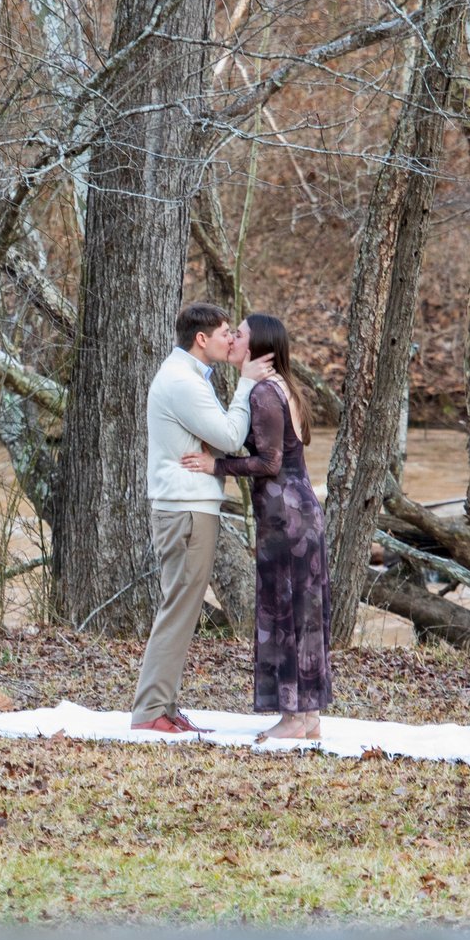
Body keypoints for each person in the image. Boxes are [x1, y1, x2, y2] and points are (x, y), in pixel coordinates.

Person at [180, 312, 330, 741]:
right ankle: (309, 716)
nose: (231, 339)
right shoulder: (284, 387)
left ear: (256, 346)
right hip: (302, 510)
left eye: (239, 334)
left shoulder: (264, 393)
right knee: (305, 613)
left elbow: (269, 462)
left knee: (284, 613)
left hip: (286, 518)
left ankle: (291, 717)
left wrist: (216, 464)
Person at [131, 303, 271, 734]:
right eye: (226, 332)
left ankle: (164, 708)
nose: (231, 339)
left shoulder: (188, 377)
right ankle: (153, 711)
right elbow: (229, 436)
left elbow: (220, 442)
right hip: (187, 509)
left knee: (182, 608)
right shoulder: (183, 383)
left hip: (186, 506)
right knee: (179, 609)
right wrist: (246, 386)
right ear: (202, 339)